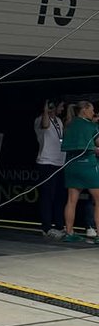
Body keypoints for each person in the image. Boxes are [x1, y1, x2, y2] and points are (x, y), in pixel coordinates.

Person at [60, 100, 99, 243]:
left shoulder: (69, 124)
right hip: (88, 166)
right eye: (92, 109)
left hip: (71, 166)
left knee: (71, 201)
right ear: (84, 110)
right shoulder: (91, 126)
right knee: (98, 200)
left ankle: (69, 233)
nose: (93, 112)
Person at [34, 100, 67, 238]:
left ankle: (59, 226)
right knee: (48, 196)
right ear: (53, 106)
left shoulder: (59, 120)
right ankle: (46, 227)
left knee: (60, 196)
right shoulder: (40, 120)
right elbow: (46, 125)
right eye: (61, 106)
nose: (62, 108)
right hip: (46, 163)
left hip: (60, 163)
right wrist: (46, 109)